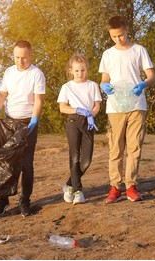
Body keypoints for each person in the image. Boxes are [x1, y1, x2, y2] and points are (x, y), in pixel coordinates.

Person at [98, 16, 155, 203]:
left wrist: (143, 84)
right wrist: (103, 86)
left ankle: (131, 186)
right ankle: (115, 187)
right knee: (115, 149)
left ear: (126, 29)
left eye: (121, 35)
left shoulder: (139, 50)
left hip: (137, 105)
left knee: (134, 147)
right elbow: (105, 79)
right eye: (114, 37)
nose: (118, 39)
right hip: (115, 107)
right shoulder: (107, 54)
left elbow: (151, 76)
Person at [0, 40, 46, 217]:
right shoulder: (9, 72)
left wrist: (34, 119)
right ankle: (2, 201)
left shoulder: (37, 74)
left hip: (28, 123)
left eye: (24, 58)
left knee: (26, 165)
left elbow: (38, 100)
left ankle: (24, 201)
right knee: (7, 163)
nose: (21, 61)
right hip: (10, 122)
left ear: (31, 55)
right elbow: (2, 94)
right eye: (17, 57)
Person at [57, 53, 102, 205]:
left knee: (86, 160)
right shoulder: (67, 87)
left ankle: (69, 184)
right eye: (77, 71)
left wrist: (91, 114)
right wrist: (77, 110)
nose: (80, 73)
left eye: (82, 70)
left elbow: (97, 105)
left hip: (88, 122)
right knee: (74, 157)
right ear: (71, 70)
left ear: (87, 70)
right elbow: (63, 108)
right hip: (73, 121)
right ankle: (78, 191)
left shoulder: (93, 85)